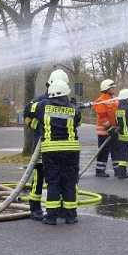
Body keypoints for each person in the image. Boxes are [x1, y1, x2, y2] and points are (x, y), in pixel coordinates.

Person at [26, 77, 82, 225]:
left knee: (53, 182)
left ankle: (51, 217)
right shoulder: (74, 108)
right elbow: (78, 122)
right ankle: (71, 216)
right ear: (65, 93)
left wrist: (35, 124)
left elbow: (28, 110)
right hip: (71, 150)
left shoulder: (42, 106)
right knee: (69, 182)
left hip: (51, 150)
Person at [21, 69, 70, 221]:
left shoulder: (66, 101)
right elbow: (26, 115)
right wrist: (38, 127)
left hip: (59, 149)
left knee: (58, 179)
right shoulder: (39, 102)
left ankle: (58, 208)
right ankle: (35, 208)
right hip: (41, 147)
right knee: (39, 178)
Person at [92, 79, 119, 177]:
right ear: (107, 88)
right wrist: (109, 128)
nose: (114, 89)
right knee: (103, 151)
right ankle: (100, 171)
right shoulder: (101, 101)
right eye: (112, 88)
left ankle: (118, 170)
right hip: (104, 132)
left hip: (114, 130)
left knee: (116, 150)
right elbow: (102, 117)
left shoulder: (115, 99)